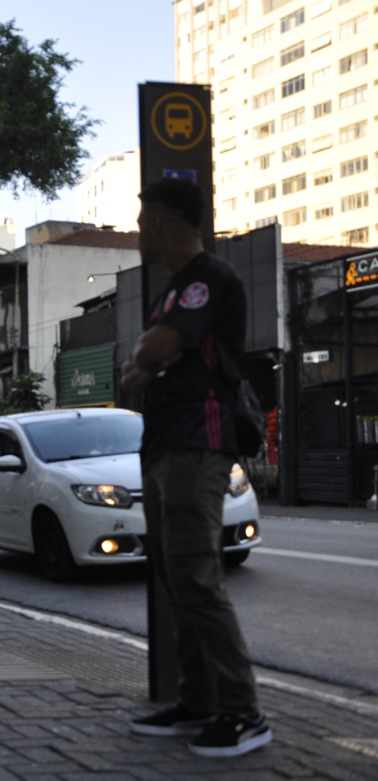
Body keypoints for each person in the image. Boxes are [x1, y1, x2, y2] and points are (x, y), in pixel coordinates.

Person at [122, 178, 271, 758]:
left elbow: (152, 354)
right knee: (175, 576)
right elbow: (138, 367)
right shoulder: (173, 291)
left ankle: (243, 712)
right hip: (163, 445)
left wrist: (154, 355)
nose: (137, 233)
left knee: (197, 576)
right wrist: (151, 356)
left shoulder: (210, 278)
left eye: (141, 221)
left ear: (159, 221)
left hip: (197, 441)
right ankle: (198, 699)